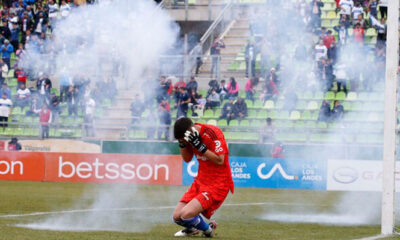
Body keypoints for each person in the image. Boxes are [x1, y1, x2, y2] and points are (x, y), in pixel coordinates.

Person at [172, 117, 234, 238]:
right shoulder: (189, 137)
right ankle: (193, 229)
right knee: (177, 217)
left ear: (190, 130)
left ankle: (208, 230)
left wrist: (201, 147)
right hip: (201, 180)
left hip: (218, 183)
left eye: (183, 139)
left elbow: (220, 160)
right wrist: (182, 144)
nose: (184, 142)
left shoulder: (212, 132)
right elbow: (187, 159)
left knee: (185, 215)